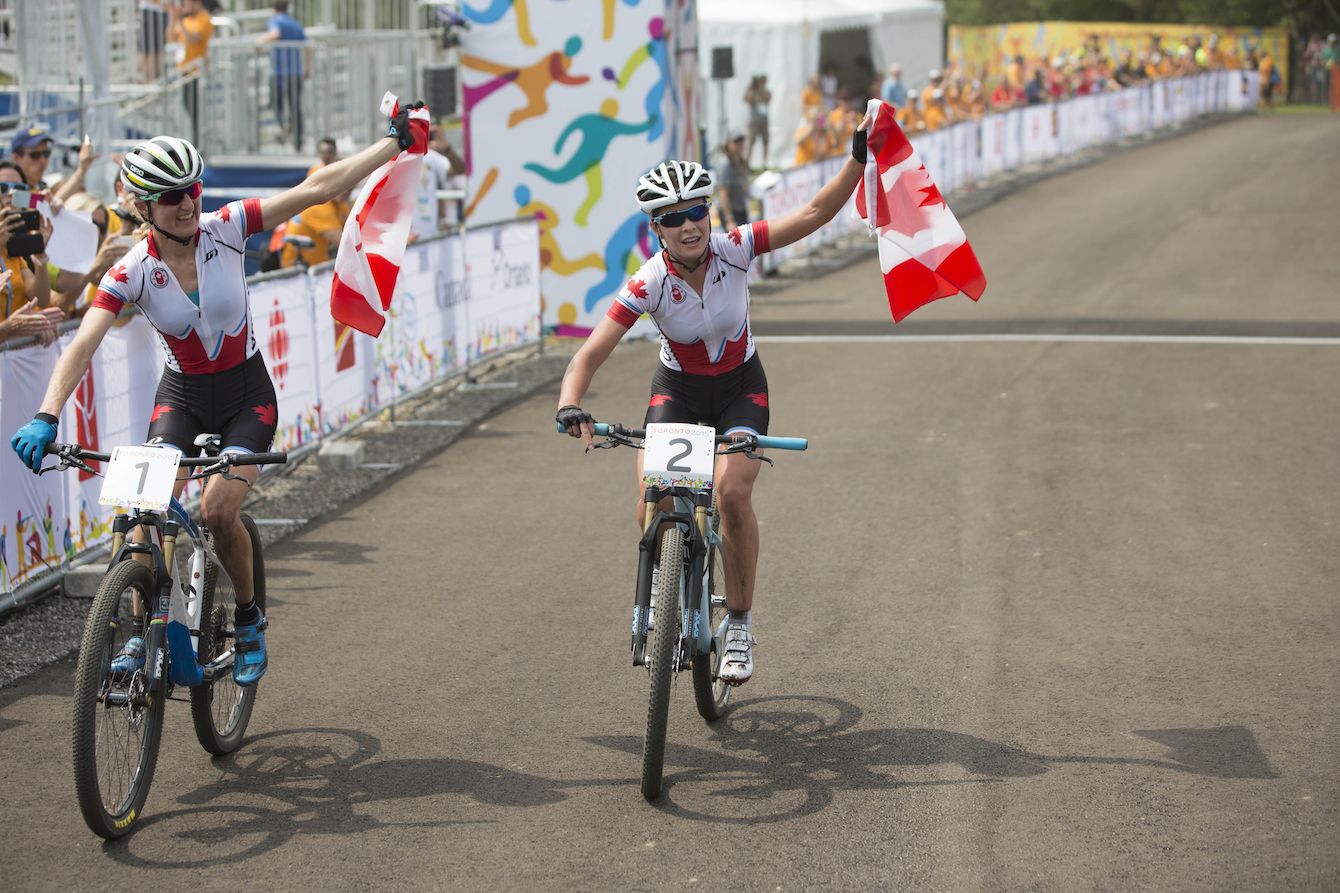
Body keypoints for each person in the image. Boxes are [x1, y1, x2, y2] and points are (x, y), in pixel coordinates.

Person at [10, 105, 430, 686]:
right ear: (142, 207)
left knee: (216, 510)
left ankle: (251, 616)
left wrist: (392, 143)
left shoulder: (227, 226)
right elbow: (82, 344)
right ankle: (135, 635)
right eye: (170, 196)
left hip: (246, 398)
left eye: (192, 188)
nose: (188, 202)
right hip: (179, 398)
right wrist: (45, 414)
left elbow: (317, 189)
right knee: (141, 515)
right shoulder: (130, 271)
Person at [555, 122, 871, 686]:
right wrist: (570, 404)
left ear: (709, 213)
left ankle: (742, 624)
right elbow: (587, 355)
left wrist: (856, 159)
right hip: (677, 391)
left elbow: (817, 213)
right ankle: (662, 593)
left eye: (696, 211)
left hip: (739, 388)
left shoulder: (736, 247)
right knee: (654, 492)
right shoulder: (648, 283)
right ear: (656, 229)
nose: (688, 225)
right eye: (672, 217)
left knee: (730, 491)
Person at [0, 163, 61, 345]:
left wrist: (40, 254)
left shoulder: (14, 249)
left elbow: (40, 298)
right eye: (3, 188)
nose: (11, 194)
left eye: (19, 189)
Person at [258, 1, 311, 151]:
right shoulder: (295, 24)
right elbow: (308, 46)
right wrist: (308, 69)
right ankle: (298, 141)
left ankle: (283, 125)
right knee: (295, 107)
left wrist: (259, 42)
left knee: (276, 103)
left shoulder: (275, 21)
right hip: (296, 73)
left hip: (280, 73)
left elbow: (275, 34)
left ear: (274, 9)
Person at [169, 0, 213, 145]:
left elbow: (194, 38)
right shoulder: (186, 20)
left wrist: (180, 21)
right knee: (189, 108)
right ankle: (196, 142)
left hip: (197, 74)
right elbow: (169, 38)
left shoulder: (204, 18)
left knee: (196, 112)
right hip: (184, 73)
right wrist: (173, 17)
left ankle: (199, 144)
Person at [714, 131, 750, 231]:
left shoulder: (741, 161)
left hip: (740, 208)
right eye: (735, 142)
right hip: (732, 212)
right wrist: (729, 219)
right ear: (728, 144)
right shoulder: (725, 163)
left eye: (741, 141)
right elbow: (723, 192)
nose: (739, 144)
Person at [744, 75, 771, 166]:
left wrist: (761, 89)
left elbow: (767, 98)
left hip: (764, 122)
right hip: (754, 122)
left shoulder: (766, 92)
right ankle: (747, 163)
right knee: (750, 143)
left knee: (765, 142)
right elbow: (748, 99)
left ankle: (765, 163)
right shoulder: (752, 92)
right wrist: (751, 88)